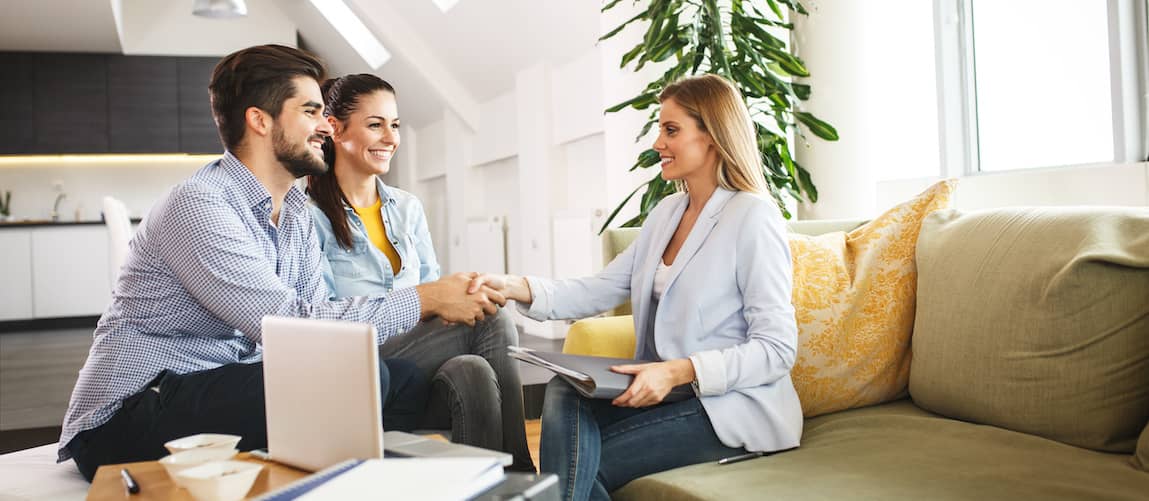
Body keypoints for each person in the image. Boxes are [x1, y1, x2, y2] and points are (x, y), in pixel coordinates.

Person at [57, 45, 507, 481]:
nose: (325, 127)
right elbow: (288, 321)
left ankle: (408, 483)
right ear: (259, 120)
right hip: (130, 409)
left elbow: (311, 332)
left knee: (402, 379)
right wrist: (425, 298)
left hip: (222, 383)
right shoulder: (201, 205)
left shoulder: (294, 210)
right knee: (355, 382)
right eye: (310, 112)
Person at [469, 74, 802, 500]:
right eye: (660, 129)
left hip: (728, 406)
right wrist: (514, 285)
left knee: (584, 467)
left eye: (671, 130)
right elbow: (599, 288)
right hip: (666, 394)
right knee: (563, 392)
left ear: (714, 136)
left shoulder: (752, 217)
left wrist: (680, 371)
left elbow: (776, 349)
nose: (657, 143)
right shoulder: (667, 213)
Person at [307, 73, 535, 471]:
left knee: (473, 369)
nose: (390, 137)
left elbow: (434, 290)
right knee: (492, 319)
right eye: (375, 124)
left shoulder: (406, 207)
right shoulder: (308, 216)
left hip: (417, 352)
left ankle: (484, 489)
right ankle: (524, 477)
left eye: (394, 125)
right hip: (359, 358)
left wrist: (461, 293)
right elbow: (324, 315)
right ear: (335, 128)